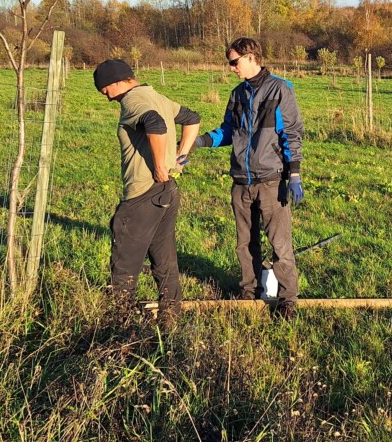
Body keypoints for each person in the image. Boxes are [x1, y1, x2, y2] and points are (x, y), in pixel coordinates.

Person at [190, 37, 304, 320]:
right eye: (229, 63)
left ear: (251, 57)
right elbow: (228, 131)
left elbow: (291, 133)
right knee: (244, 243)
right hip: (241, 180)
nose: (231, 68)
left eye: (234, 62)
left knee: (280, 244)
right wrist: (200, 142)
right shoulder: (237, 94)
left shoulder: (280, 89)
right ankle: (249, 292)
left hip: (271, 180)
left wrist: (295, 174)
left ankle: (288, 299)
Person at [94, 58, 200, 328]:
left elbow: (154, 124)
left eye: (105, 90)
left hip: (142, 194)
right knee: (164, 258)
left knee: (124, 264)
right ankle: (170, 318)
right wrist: (181, 156)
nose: (106, 97)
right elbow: (192, 118)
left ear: (118, 82)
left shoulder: (132, 100)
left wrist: (159, 166)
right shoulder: (156, 96)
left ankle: (122, 327)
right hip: (166, 192)